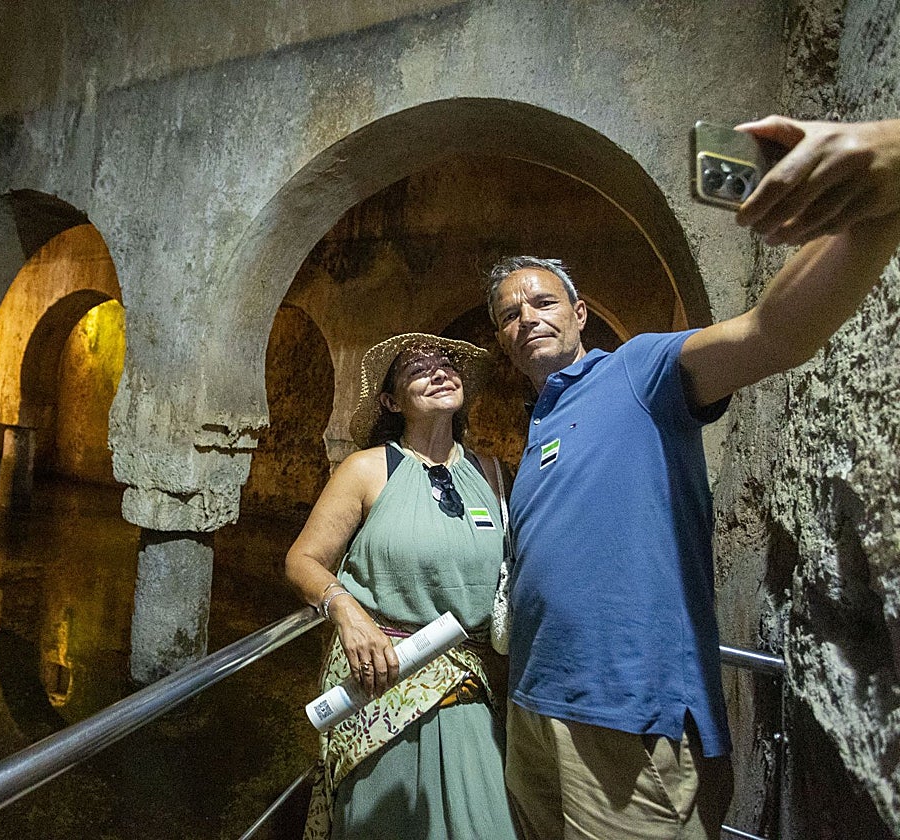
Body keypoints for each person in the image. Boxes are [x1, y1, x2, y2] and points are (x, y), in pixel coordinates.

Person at [485, 114, 900, 840]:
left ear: (581, 314)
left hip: (624, 717)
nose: (528, 318)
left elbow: (774, 334)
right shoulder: (543, 422)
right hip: (531, 707)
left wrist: (874, 206)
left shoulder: (638, 372)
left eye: (543, 301)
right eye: (510, 314)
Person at [285, 333, 519, 840]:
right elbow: (303, 560)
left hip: (470, 680)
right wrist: (345, 611)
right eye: (419, 370)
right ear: (392, 401)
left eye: (447, 365)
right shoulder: (367, 470)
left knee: (485, 822)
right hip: (379, 678)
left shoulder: (494, 475)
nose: (439, 372)